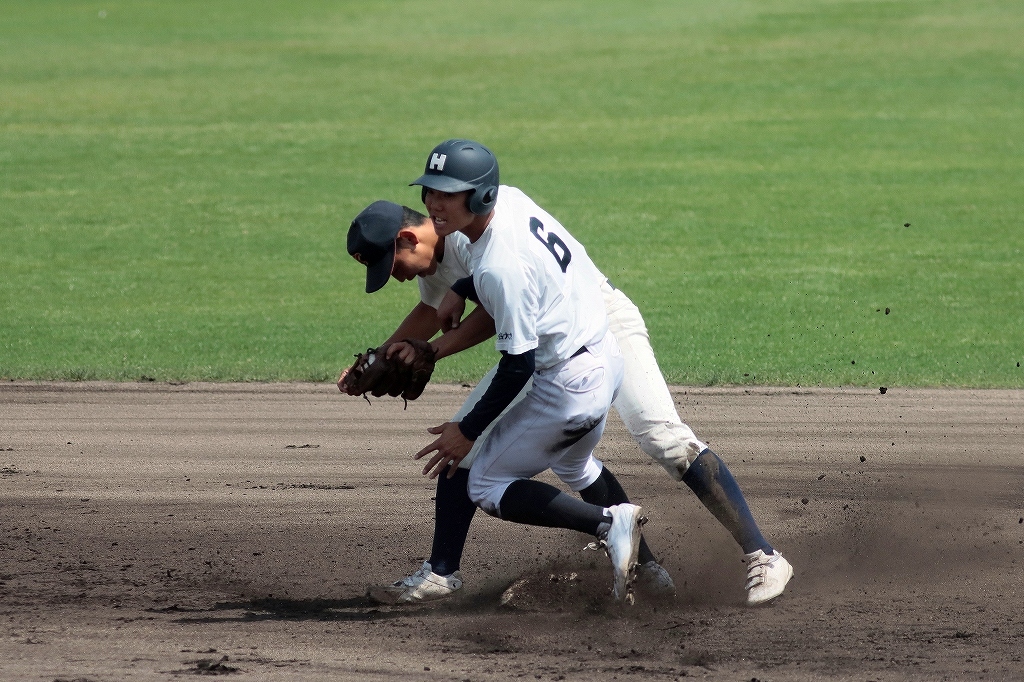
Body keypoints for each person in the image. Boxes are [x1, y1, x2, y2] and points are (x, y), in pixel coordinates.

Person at [343, 139, 793, 606]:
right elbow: (468, 290)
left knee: (664, 439)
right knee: (570, 461)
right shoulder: (489, 209)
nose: (435, 203)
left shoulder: (476, 240)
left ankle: (763, 553)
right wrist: (449, 297)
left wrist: (439, 348)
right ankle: (646, 568)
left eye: (445, 193)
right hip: (559, 335)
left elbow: (506, 288)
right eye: (429, 194)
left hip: (597, 323)